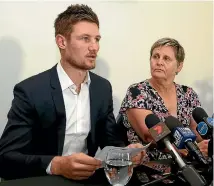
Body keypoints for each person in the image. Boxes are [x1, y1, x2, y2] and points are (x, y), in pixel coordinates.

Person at [0, 4, 144, 181]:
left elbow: (110, 142)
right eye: (85, 39)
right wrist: (57, 165)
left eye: (97, 39)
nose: (94, 47)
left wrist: (127, 152)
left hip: (88, 178)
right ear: (62, 42)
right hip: (43, 179)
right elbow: (6, 158)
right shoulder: (31, 91)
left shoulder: (102, 88)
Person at [119, 37, 209, 181]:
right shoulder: (137, 92)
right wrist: (191, 149)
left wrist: (204, 145)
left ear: (179, 66)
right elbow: (150, 135)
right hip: (148, 170)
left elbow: (197, 131)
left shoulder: (188, 93)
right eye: (155, 56)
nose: (159, 62)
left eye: (166, 58)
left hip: (187, 168)